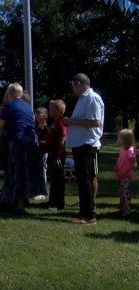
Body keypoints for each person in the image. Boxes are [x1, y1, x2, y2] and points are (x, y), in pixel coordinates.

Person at [63, 73, 105, 225]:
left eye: (73, 85)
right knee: (82, 180)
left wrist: (72, 121)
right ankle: (84, 210)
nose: (72, 88)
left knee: (86, 180)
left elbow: (95, 122)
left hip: (88, 144)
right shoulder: (83, 99)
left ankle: (89, 215)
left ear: (79, 83)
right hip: (80, 144)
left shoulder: (92, 98)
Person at [0, 83, 45, 213]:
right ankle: (22, 200)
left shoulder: (8, 106)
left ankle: (18, 205)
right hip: (32, 142)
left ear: (11, 94)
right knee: (27, 172)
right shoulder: (28, 107)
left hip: (18, 142)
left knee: (16, 172)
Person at [44, 100, 67, 211]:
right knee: (53, 178)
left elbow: (63, 139)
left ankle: (59, 203)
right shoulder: (54, 122)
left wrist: (59, 155)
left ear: (57, 110)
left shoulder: (61, 122)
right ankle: (52, 201)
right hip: (52, 152)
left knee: (58, 179)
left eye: (51, 108)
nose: (49, 110)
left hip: (57, 154)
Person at [114, 129, 136, 218]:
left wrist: (125, 172)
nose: (118, 140)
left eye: (119, 138)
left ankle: (126, 211)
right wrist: (116, 166)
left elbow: (133, 164)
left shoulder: (130, 150)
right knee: (121, 192)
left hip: (125, 176)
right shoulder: (122, 149)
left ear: (126, 140)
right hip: (120, 175)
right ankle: (122, 208)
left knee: (125, 193)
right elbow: (120, 160)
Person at [34, 106, 50, 200]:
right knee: (36, 171)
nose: (36, 114)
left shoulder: (46, 128)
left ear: (44, 116)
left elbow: (49, 141)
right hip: (35, 151)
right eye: (36, 113)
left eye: (39, 113)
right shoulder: (35, 127)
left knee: (43, 170)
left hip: (43, 152)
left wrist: (39, 142)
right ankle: (36, 190)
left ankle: (43, 191)